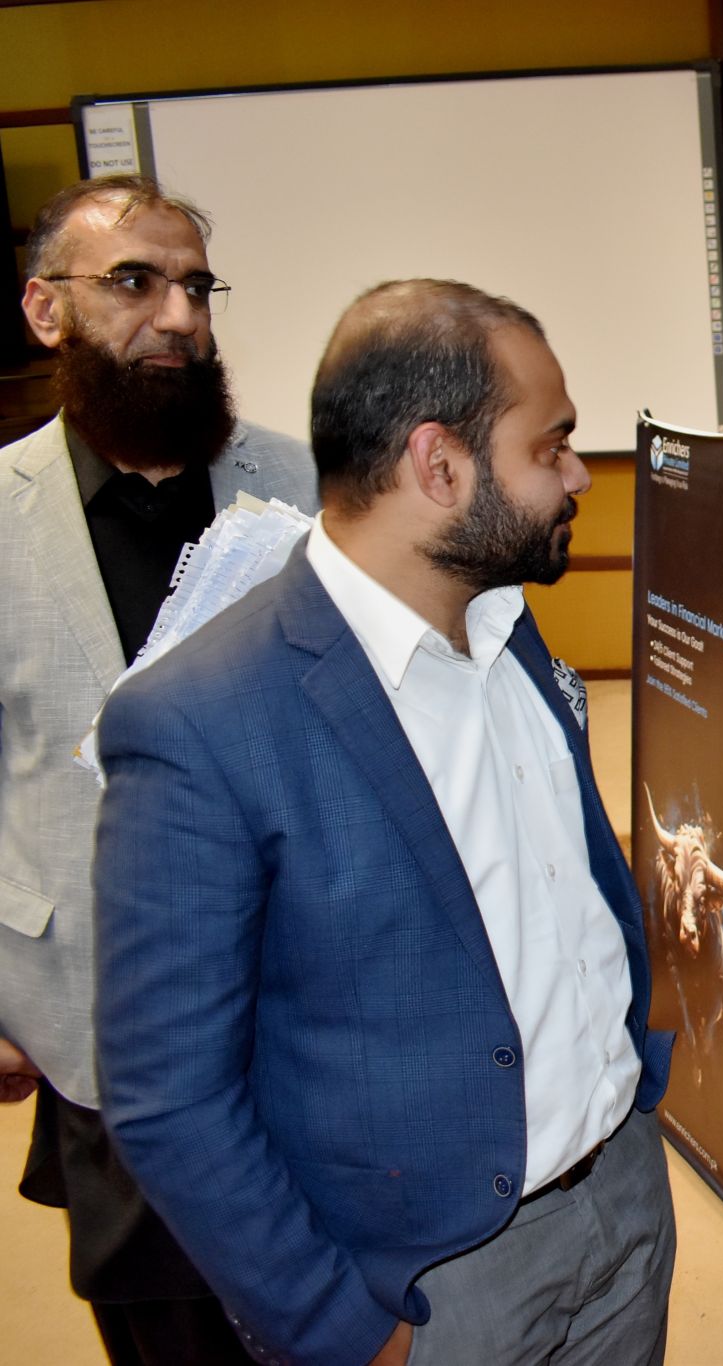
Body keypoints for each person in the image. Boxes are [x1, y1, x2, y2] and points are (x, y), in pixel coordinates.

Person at [91, 279, 676, 1366]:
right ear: (438, 465)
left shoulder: (510, 624)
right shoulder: (197, 721)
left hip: (623, 1196)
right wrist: (336, 1329)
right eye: (550, 446)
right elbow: (168, 1096)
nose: (576, 476)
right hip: (429, 1280)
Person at [0, 174, 318, 1363]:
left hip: (306, 1003)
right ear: (47, 310)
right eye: (134, 282)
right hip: (98, 1017)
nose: (179, 316)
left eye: (195, 286)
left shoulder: (306, 488)